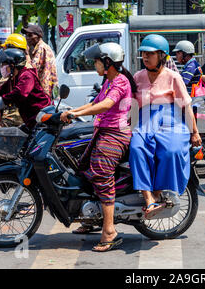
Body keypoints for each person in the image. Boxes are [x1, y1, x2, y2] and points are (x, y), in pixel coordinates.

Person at [60, 42, 136, 252]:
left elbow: (106, 105)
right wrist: (72, 111)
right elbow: (94, 104)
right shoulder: (108, 81)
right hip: (103, 132)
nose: (95, 64)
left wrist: (76, 114)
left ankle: (110, 231)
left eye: (96, 61)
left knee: (101, 174)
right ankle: (92, 218)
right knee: (81, 167)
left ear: (108, 62)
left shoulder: (120, 82)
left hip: (116, 135)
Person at [129, 34, 201, 219]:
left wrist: (194, 132)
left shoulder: (173, 77)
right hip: (145, 121)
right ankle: (148, 199)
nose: (145, 57)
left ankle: (158, 191)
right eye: (143, 53)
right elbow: (131, 105)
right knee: (137, 149)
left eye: (150, 54)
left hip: (171, 120)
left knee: (172, 151)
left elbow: (185, 106)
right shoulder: (138, 77)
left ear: (162, 56)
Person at [22, 24, 58, 98]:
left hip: (44, 92)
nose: (27, 38)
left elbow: (31, 70)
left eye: (30, 35)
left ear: (38, 36)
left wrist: (26, 54)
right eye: (26, 35)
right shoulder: (40, 47)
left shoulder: (41, 48)